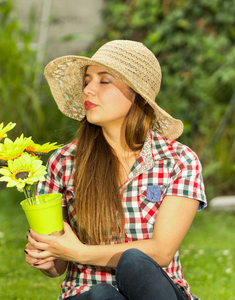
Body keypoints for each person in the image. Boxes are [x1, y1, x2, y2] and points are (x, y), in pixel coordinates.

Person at [24, 40, 207, 300]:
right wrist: (47, 255)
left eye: (104, 81)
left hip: (156, 292)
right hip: (87, 294)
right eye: (87, 80)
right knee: (102, 296)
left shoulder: (177, 160)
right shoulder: (64, 162)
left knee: (134, 261)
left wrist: (79, 253)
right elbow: (58, 266)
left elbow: (162, 251)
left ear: (137, 95)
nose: (88, 89)